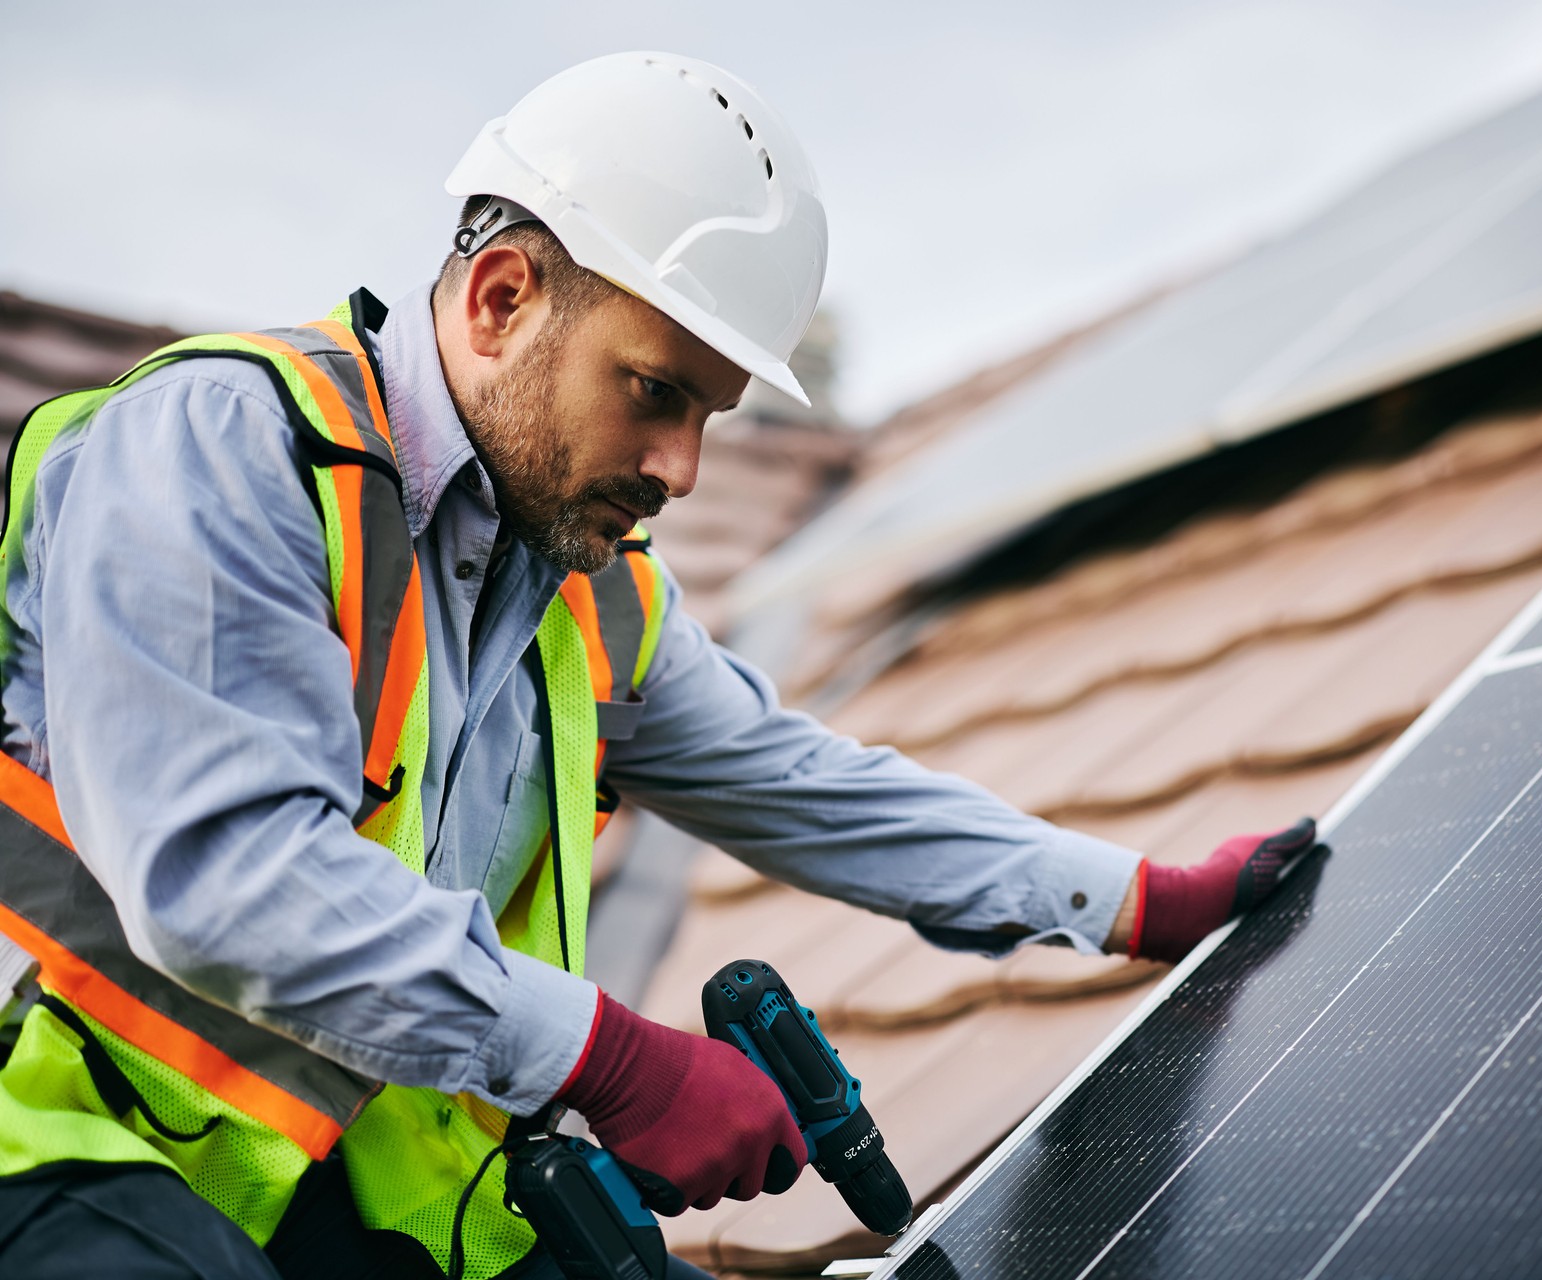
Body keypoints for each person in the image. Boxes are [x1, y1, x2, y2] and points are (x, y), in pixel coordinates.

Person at [0, 53, 1319, 1279]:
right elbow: (222, 877)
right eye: (654, 392)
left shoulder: (585, 588)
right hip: (43, 1147)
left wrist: (1129, 900)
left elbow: (800, 783)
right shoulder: (219, 453)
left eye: (709, 416)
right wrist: (615, 1060)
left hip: (307, 1196)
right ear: (501, 298)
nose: (682, 472)